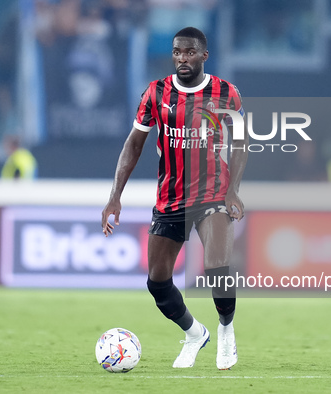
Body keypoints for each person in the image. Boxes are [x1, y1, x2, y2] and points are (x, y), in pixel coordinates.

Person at [101, 27, 248, 370]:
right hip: (171, 198)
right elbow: (133, 144)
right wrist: (114, 197)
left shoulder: (226, 93)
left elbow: (239, 143)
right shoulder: (155, 93)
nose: (183, 58)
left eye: (190, 52)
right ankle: (196, 333)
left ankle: (226, 331)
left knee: (217, 270)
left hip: (213, 193)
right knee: (157, 281)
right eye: (177, 52)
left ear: (203, 56)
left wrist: (233, 189)